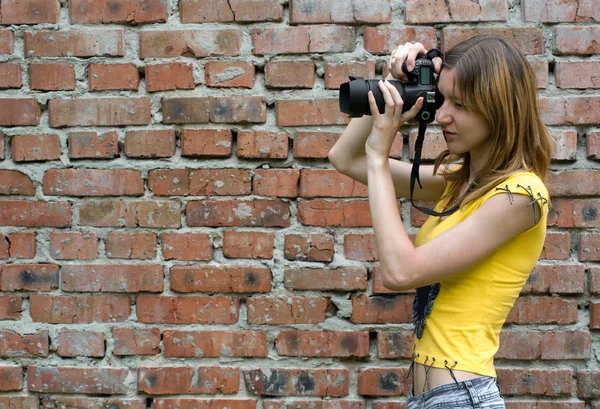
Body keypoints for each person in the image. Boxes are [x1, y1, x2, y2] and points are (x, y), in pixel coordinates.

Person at [328, 35, 552, 408]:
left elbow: (401, 272)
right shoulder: (461, 181)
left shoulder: (521, 195)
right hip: (429, 396)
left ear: (500, 109)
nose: (443, 115)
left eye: (461, 105)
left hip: (462, 397)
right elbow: (344, 157)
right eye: (444, 98)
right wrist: (391, 86)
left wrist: (379, 155)